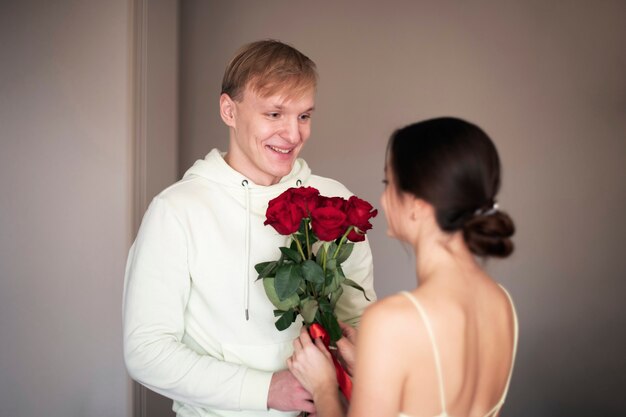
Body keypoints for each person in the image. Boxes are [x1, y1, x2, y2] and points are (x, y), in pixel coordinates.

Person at [122, 40, 376, 417]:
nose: (293, 134)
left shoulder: (335, 202)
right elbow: (146, 350)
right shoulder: (176, 210)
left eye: (304, 116)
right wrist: (266, 389)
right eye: (274, 114)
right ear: (229, 110)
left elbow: (359, 323)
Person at [288, 117, 518, 417]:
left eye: (389, 183)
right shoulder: (501, 303)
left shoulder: (391, 321)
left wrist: (323, 388)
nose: (383, 198)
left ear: (417, 205)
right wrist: (372, 367)